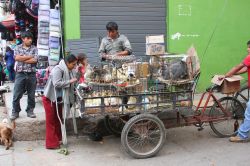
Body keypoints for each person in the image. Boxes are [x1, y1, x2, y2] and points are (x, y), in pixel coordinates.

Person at [42, 54, 78, 149]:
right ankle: (51, 144)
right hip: (49, 98)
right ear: (67, 63)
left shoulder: (68, 70)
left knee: (58, 119)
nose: (74, 66)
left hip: (58, 99)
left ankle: (58, 138)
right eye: (73, 64)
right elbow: (56, 83)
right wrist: (70, 81)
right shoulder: (58, 69)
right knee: (51, 121)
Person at [220, 40, 250, 142]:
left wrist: (227, 75)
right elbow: (246, 69)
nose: (247, 49)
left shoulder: (249, 57)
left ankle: (241, 135)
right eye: (248, 47)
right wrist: (234, 74)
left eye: (249, 47)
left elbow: (239, 66)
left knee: (249, 113)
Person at [10, 31, 38, 120]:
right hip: (20, 73)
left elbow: (35, 60)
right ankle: (15, 111)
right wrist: (29, 56)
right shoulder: (17, 48)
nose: (30, 40)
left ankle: (30, 110)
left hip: (31, 74)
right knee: (17, 94)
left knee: (31, 94)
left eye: (31, 38)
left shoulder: (34, 48)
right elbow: (16, 58)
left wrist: (22, 58)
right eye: (28, 38)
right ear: (23, 39)